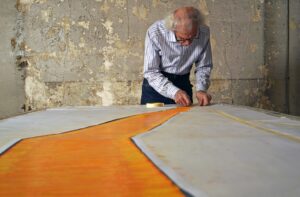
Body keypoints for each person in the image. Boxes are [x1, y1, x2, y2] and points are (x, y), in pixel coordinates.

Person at [140, 6, 213, 106]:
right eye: (182, 39)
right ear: (172, 29)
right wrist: (174, 92)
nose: (187, 44)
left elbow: (204, 66)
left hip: (183, 82)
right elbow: (151, 71)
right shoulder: (155, 32)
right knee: (152, 121)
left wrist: (201, 89)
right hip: (156, 85)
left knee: (184, 120)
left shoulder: (204, 32)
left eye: (192, 38)